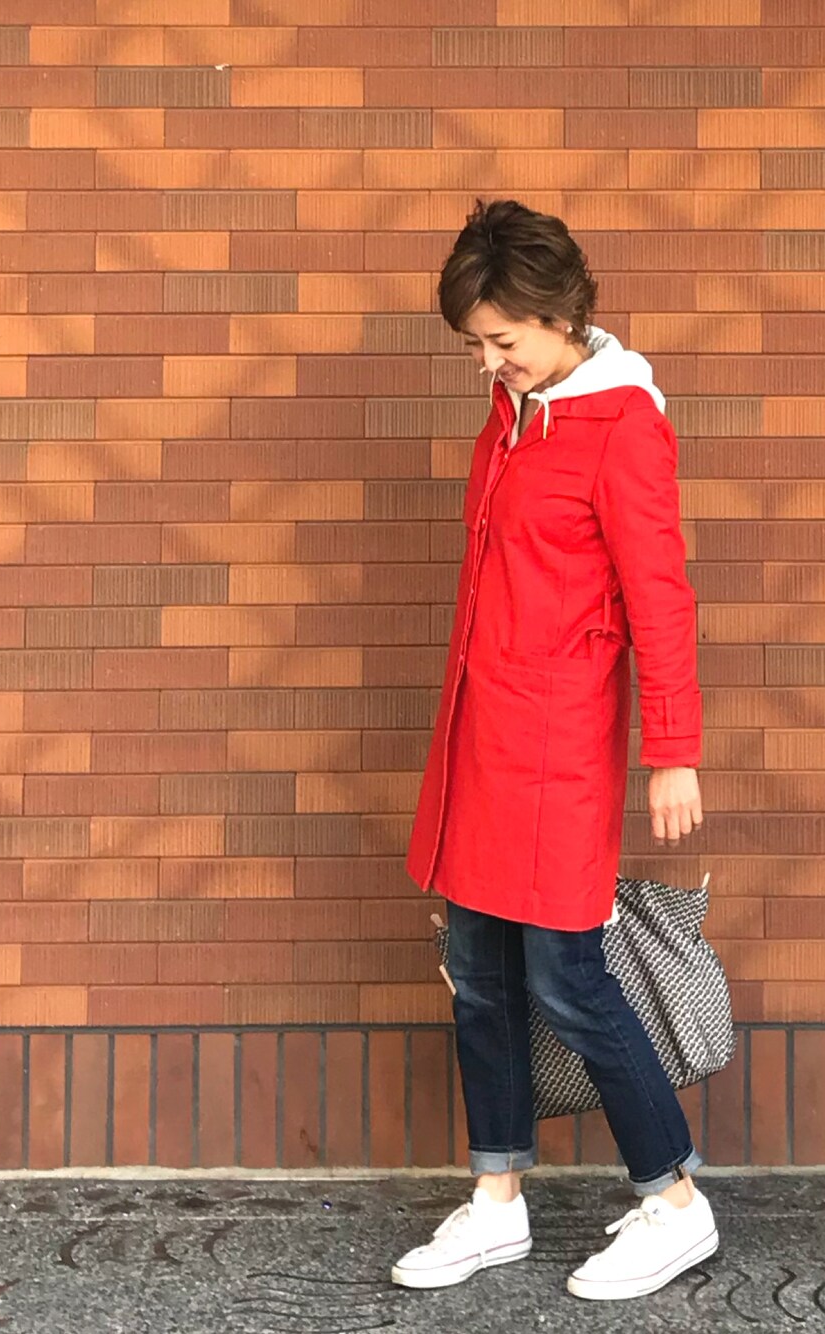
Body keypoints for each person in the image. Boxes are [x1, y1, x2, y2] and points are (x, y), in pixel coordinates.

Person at [392, 200, 716, 1302]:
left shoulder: (622, 425)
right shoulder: (512, 413)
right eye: (477, 345)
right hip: (481, 738)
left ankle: (675, 1201)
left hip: (561, 745)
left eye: (503, 340)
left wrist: (673, 749)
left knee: (568, 982)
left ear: (561, 314)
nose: (490, 363)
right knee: (479, 978)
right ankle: (496, 1201)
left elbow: (659, 597)